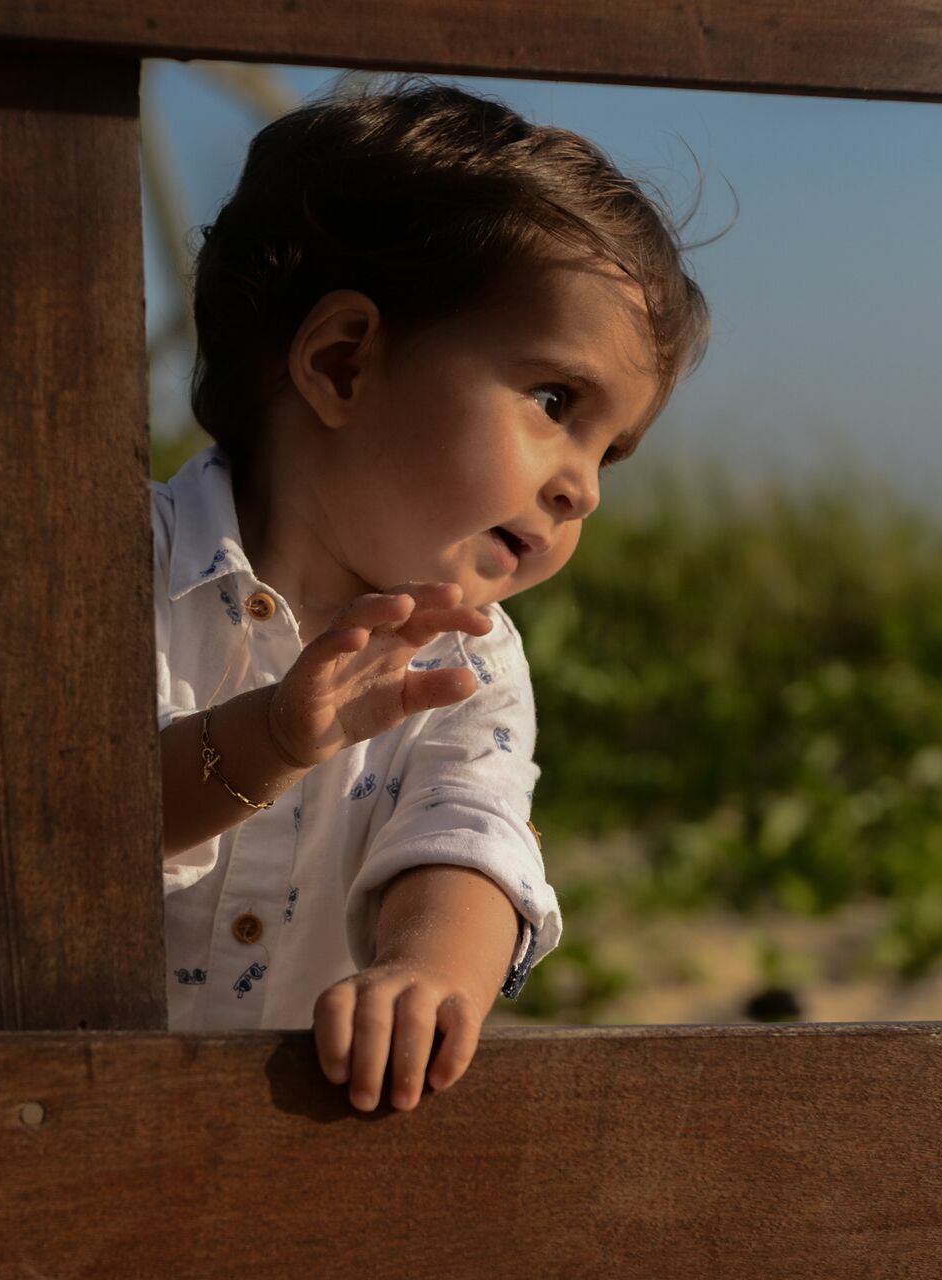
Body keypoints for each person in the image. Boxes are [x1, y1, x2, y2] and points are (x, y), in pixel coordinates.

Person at [154, 73, 709, 1113]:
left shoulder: (469, 655)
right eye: (555, 401)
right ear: (344, 361)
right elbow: (66, 819)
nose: (581, 483)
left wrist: (428, 972)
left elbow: (467, 831)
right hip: (50, 1105)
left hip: (296, 1131)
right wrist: (273, 737)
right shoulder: (120, 568)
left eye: (611, 452)